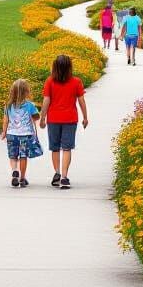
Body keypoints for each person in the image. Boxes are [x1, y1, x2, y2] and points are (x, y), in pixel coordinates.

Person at [39, 54, 88, 190]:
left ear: (55, 66)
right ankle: (64, 178)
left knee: (55, 147)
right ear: (69, 67)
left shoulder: (50, 81)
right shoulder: (76, 81)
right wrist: (85, 117)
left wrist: (43, 118)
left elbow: (46, 100)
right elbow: (81, 100)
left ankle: (57, 173)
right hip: (70, 119)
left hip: (53, 119)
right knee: (67, 147)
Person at [1, 78, 41, 188]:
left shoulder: (8, 105)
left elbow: (6, 120)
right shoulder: (30, 105)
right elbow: (36, 117)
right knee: (23, 156)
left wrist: (4, 132)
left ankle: (14, 171)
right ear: (27, 91)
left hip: (11, 134)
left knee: (13, 155)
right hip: (25, 134)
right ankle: (22, 178)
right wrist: (35, 116)